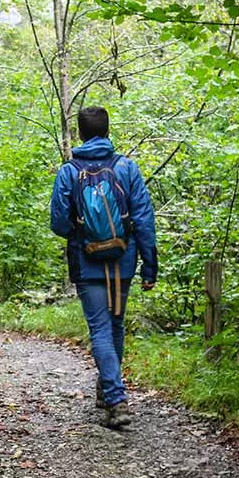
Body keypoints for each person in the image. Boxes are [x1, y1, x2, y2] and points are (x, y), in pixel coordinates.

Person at [49, 106, 158, 429]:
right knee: (115, 325)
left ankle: (115, 398)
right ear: (107, 131)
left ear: (80, 134)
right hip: (123, 260)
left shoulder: (69, 171)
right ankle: (110, 389)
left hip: (87, 261)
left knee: (100, 329)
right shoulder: (126, 168)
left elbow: (58, 222)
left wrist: (82, 234)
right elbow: (144, 220)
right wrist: (149, 266)